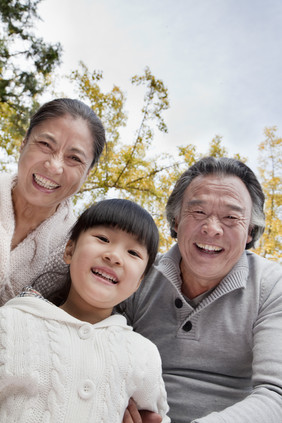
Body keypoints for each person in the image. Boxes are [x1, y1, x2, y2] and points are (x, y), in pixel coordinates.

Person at [120, 157, 282, 423]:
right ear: (175, 221)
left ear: (250, 231)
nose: (212, 228)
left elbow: (276, 394)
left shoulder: (272, 286)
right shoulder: (139, 272)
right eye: (198, 212)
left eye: (231, 217)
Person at [0, 198, 170, 422]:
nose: (114, 256)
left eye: (133, 253)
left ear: (139, 281)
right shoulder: (10, 324)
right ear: (69, 250)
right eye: (103, 238)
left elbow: (157, 417)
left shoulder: (143, 355)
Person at [0, 97, 106, 305]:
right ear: (23, 144)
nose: (54, 166)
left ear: (87, 175)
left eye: (74, 158)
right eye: (45, 144)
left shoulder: (76, 250)